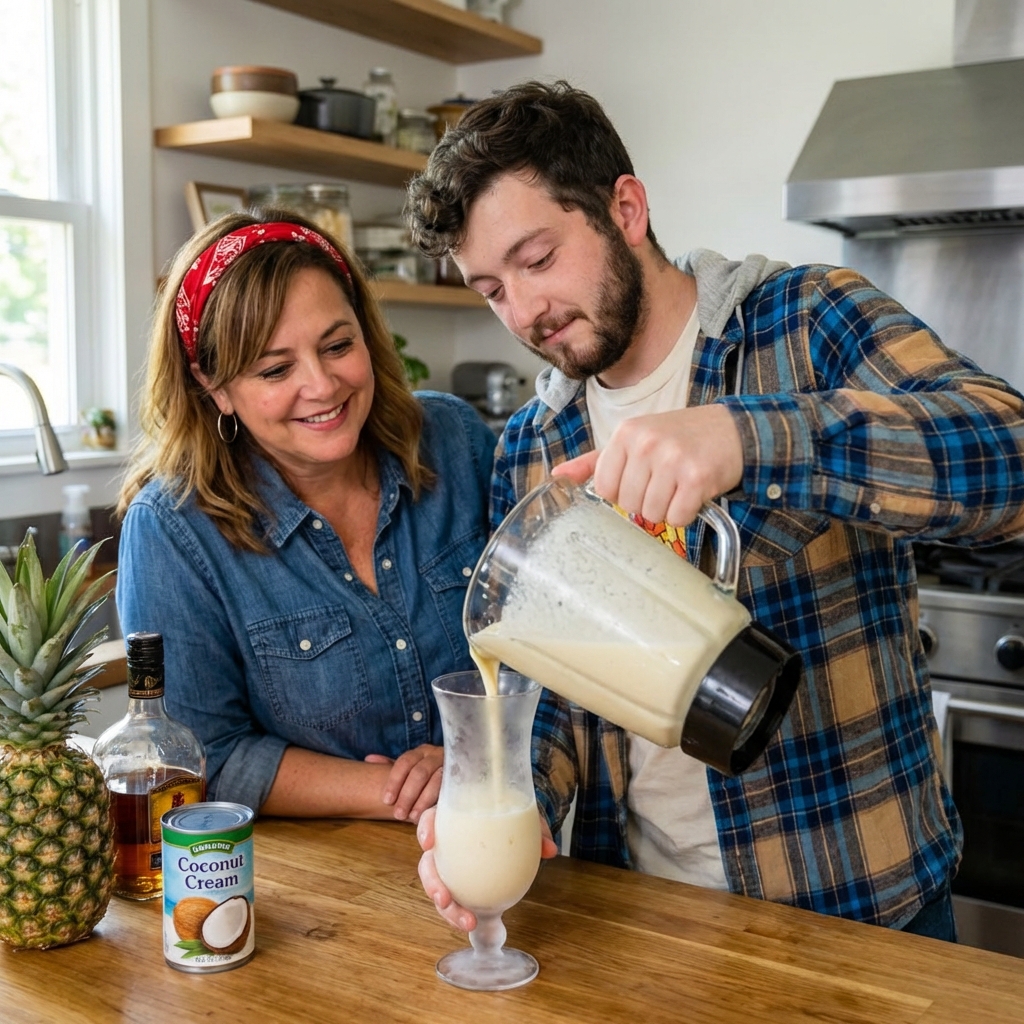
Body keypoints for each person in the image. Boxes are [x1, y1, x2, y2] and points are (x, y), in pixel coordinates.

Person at [403, 81, 1024, 940]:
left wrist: (748, 439)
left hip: (858, 907)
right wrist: (516, 804)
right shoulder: (534, 444)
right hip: (648, 916)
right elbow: (548, 693)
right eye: (489, 289)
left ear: (625, 207)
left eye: (537, 259)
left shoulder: (805, 324)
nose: (525, 312)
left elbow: (1008, 456)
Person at [116, 211, 496, 824]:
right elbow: (200, 754)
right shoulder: (173, 528)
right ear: (213, 386)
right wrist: (410, 790)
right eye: (275, 369)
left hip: (503, 840)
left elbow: (543, 652)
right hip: (326, 886)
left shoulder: (455, 442)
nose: (322, 385)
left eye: (338, 345)